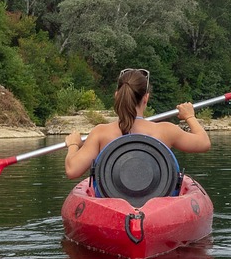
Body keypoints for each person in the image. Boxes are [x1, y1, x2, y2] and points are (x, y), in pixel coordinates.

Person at [64, 68, 211, 181]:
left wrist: (73, 145)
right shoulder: (166, 131)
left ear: (117, 96)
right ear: (146, 98)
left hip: (114, 203)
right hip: (154, 203)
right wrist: (190, 116)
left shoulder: (101, 133)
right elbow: (204, 143)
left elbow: (72, 171)